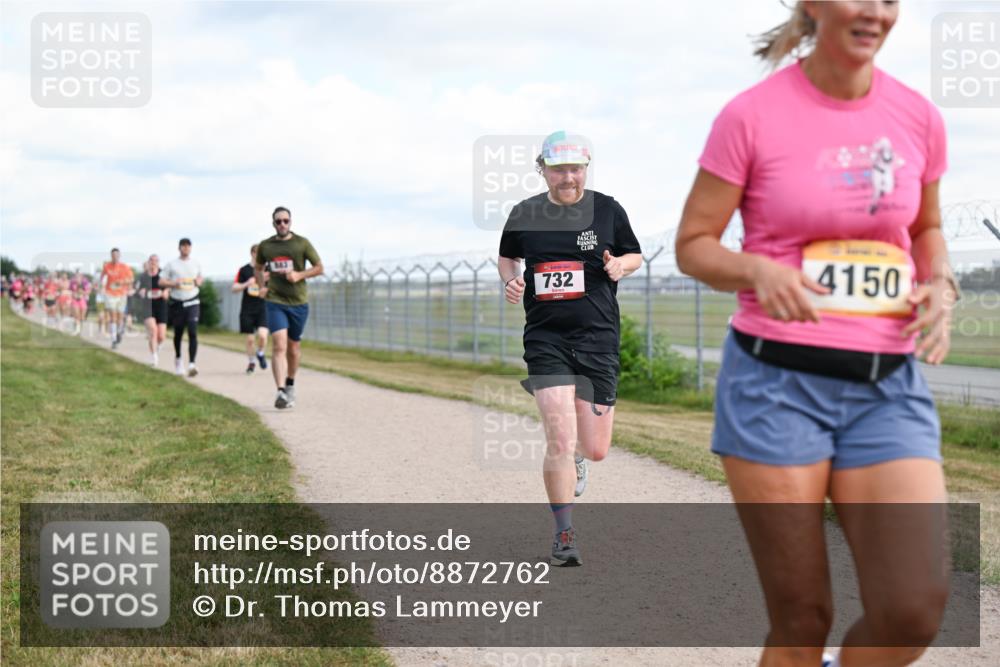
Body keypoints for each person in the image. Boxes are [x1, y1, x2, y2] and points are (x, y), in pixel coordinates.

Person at [675, 3, 955, 666]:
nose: (875, 12)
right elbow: (692, 245)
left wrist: (939, 282)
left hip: (888, 386)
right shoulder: (751, 116)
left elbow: (925, 229)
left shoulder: (917, 115)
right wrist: (753, 268)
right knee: (802, 619)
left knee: (912, 609)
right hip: (775, 386)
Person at [498, 131, 642, 566]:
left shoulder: (607, 210)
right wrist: (511, 279)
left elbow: (635, 254)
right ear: (542, 168)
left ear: (585, 168)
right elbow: (508, 256)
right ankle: (564, 535)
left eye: (575, 168)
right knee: (558, 437)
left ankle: (582, 457)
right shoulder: (525, 213)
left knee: (595, 447)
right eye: (559, 168)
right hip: (546, 339)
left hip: (598, 338)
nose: (568, 176)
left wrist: (620, 264)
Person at [255, 206, 323, 409]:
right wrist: (261, 287)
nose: (282, 224)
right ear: (273, 224)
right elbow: (258, 268)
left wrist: (299, 275)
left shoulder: (301, 243)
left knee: (293, 349)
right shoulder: (266, 246)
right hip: (276, 301)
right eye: (278, 221)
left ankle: (290, 383)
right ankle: (280, 391)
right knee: (279, 345)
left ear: (290, 222)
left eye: (286, 221)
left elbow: (320, 268)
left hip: (299, 303)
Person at [160, 238, 204, 377]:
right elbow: (161, 281)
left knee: (192, 330)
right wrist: (173, 284)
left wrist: (198, 282)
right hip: (177, 301)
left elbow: (200, 279)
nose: (185, 248)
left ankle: (192, 364)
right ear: (179, 248)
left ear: (191, 248)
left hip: (193, 300)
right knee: (178, 333)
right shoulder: (172, 264)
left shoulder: (196, 263)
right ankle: (178, 359)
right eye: (183, 246)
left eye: (188, 246)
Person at [232, 244, 269, 374]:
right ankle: (252, 362)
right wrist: (247, 283)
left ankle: (260, 352)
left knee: (263, 336)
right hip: (247, 308)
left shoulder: (267, 269)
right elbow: (234, 288)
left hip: (263, 307)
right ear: (253, 253)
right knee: (250, 339)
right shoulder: (244, 270)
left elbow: (275, 286)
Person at [137, 255, 168, 366]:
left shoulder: (163, 275)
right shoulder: (143, 276)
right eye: (151, 260)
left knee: (162, 336)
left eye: (156, 261)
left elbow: (169, 286)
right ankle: (154, 357)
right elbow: (138, 290)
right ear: (148, 262)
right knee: (153, 331)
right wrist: (141, 292)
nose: (153, 263)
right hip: (148, 307)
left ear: (158, 263)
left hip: (161, 306)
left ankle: (156, 348)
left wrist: (166, 292)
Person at [100, 248, 134, 349]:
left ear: (119, 256)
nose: (115, 257)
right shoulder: (107, 266)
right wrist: (102, 287)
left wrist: (122, 283)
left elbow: (131, 279)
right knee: (113, 316)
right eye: (113, 255)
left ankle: (119, 332)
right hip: (110, 294)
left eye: (116, 255)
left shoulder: (125, 267)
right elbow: (102, 279)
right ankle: (114, 339)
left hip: (121, 294)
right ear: (111, 256)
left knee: (120, 317)